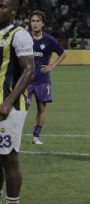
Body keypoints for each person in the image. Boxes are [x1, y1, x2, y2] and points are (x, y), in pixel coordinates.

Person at [0, 0, 36, 204]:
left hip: (9, 107)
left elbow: (29, 71)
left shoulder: (19, 35)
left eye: (1, 6)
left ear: (13, 11)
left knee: (8, 159)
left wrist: (7, 102)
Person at [26, 11, 66, 145]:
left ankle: (36, 136)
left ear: (43, 24)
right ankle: (13, 134)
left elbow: (63, 54)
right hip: (25, 81)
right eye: (33, 21)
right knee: (20, 110)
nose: (35, 23)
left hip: (42, 81)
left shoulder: (50, 40)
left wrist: (52, 66)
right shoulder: (24, 38)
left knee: (41, 109)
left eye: (38, 21)